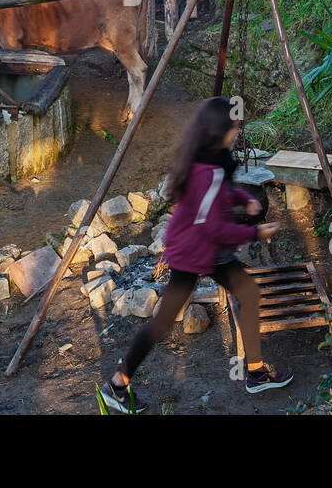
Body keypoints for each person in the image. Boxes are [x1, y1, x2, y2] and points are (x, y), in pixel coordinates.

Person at [98, 97, 293, 413]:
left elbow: (222, 195)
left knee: (249, 294)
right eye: (234, 125)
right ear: (220, 131)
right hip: (193, 251)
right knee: (162, 321)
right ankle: (118, 383)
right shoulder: (207, 170)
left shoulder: (212, 157)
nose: (238, 129)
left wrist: (244, 199)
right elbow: (213, 227)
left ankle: (256, 371)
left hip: (209, 249)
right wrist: (254, 232)